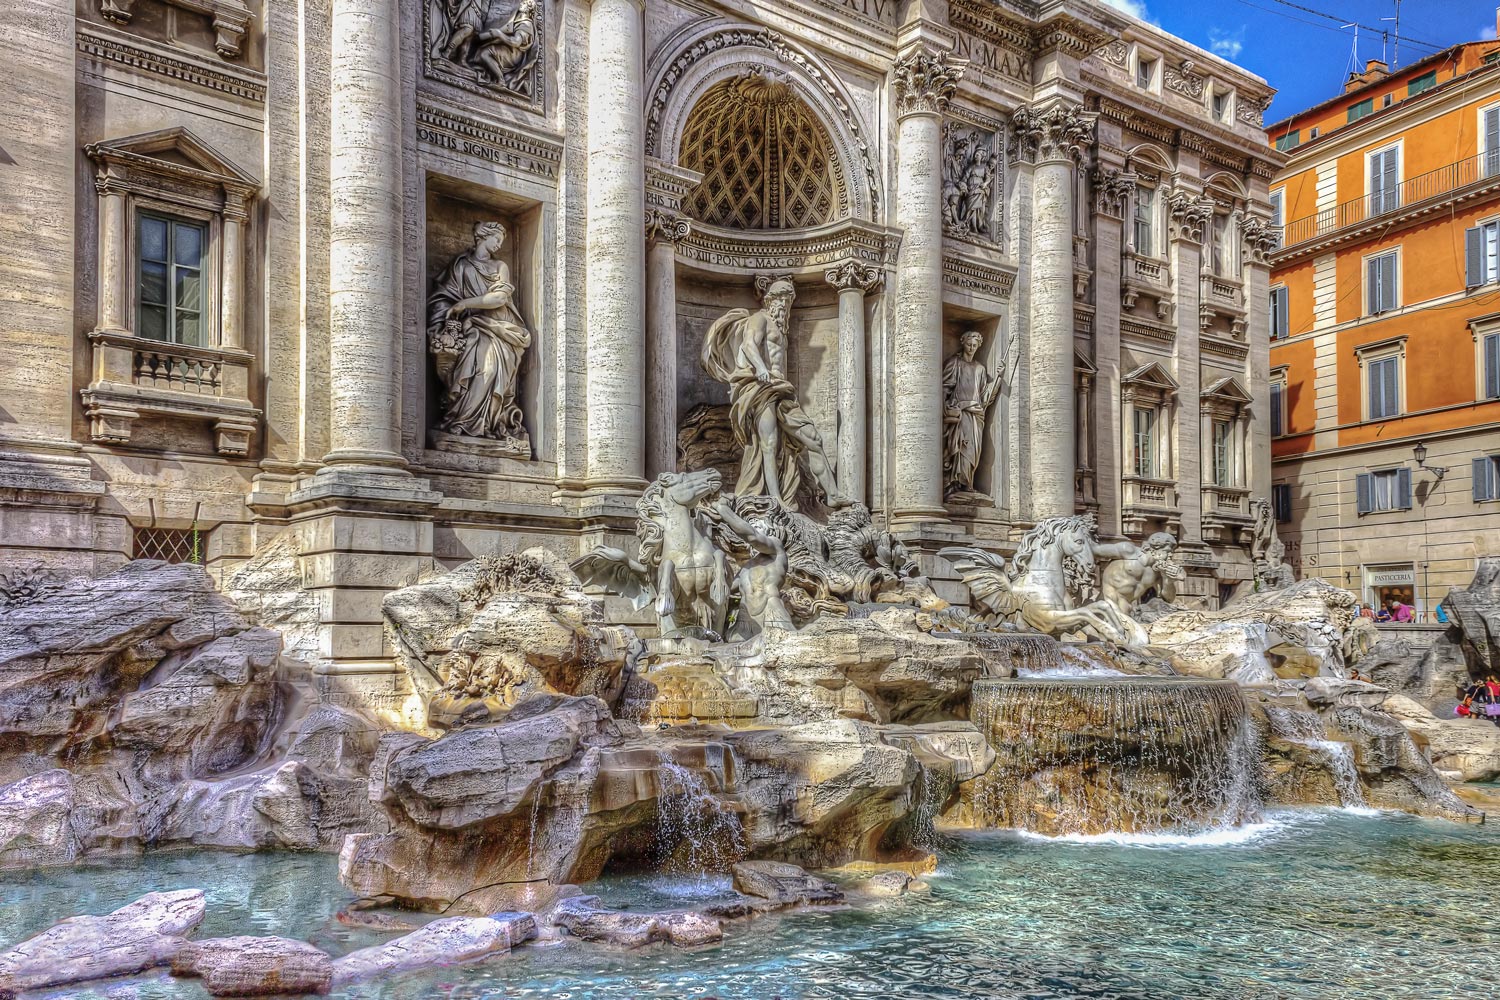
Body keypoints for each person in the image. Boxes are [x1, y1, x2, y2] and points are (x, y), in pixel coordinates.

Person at [700, 279, 849, 510]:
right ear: (770, 300)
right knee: (769, 443)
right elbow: (748, 345)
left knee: (813, 438)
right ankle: (775, 499)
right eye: (781, 299)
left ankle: (832, 494)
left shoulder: (781, 329)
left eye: (788, 300)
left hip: (780, 388)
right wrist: (761, 368)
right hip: (760, 387)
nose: (785, 305)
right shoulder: (759, 319)